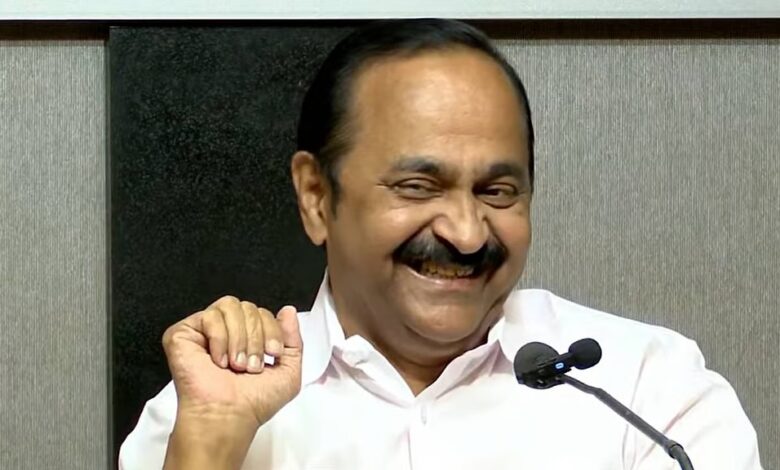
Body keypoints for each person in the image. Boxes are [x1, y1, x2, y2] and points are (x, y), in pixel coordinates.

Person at [119, 19, 763, 470]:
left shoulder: (646, 391)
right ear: (316, 196)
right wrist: (212, 441)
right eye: (418, 186)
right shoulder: (203, 410)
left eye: (497, 192)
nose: (466, 231)